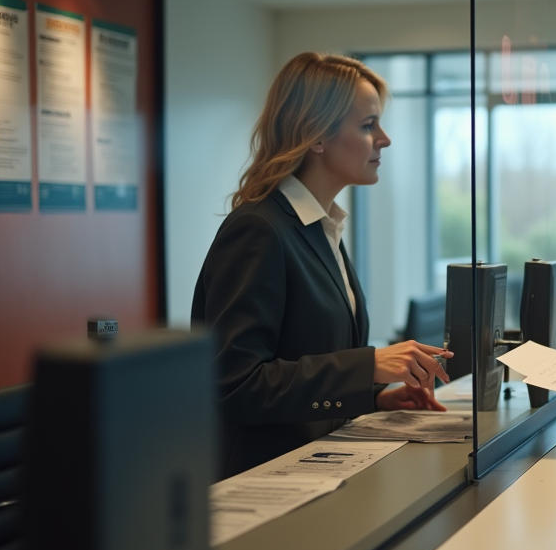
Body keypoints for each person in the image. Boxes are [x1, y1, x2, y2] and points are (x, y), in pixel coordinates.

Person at [192, 53, 451, 479]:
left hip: (315, 472)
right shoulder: (259, 230)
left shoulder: (320, 226)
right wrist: (368, 367)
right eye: (368, 125)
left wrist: (372, 398)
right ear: (316, 136)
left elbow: (305, 362)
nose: (384, 139)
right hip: (263, 481)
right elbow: (236, 384)